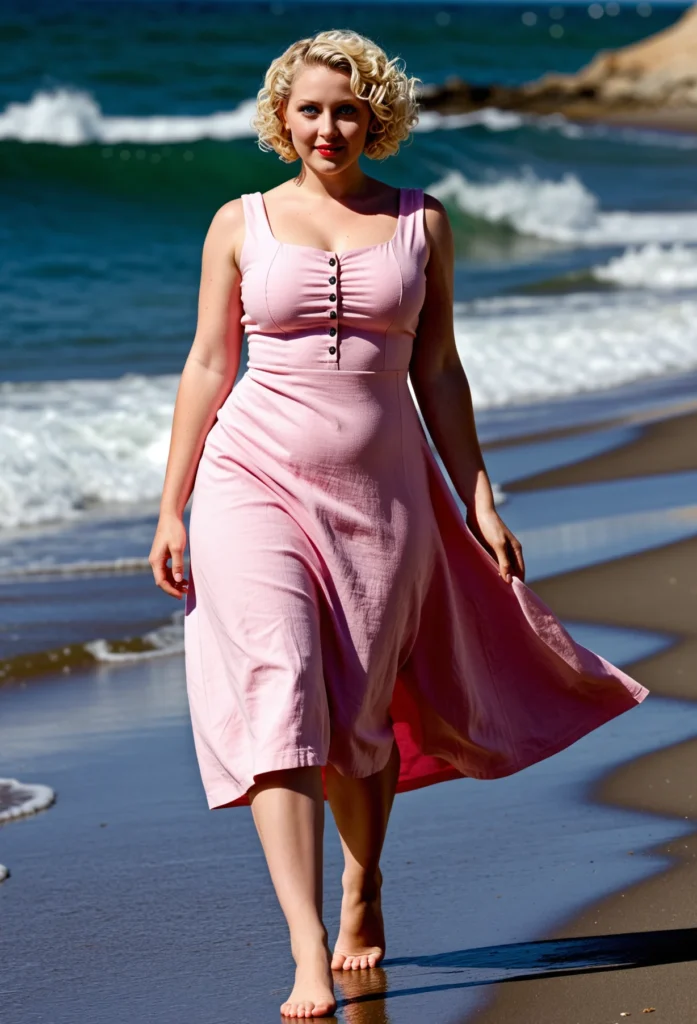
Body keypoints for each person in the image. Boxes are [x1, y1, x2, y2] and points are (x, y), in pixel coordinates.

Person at [148, 29, 648, 1019]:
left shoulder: (421, 222)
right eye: (309, 110)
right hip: (249, 479)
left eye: (346, 110)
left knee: (359, 721)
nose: (327, 128)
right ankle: (304, 947)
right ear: (282, 117)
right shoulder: (239, 222)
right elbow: (208, 364)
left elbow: (439, 370)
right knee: (279, 694)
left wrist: (479, 497)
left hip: (383, 498)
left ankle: (362, 880)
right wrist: (172, 504)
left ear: (375, 117)